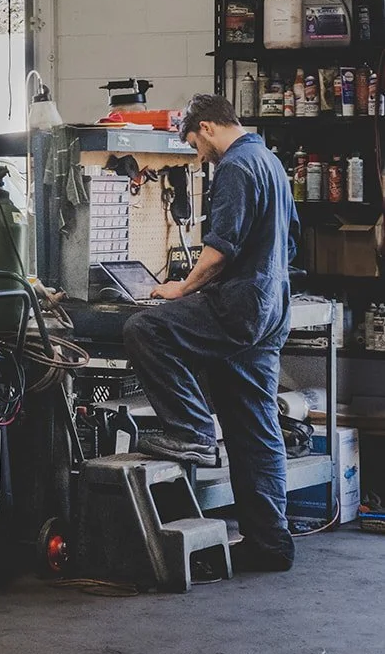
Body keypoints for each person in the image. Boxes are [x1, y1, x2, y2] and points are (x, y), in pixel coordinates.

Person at [123, 92, 300, 573]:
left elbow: (220, 249)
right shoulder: (269, 161)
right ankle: (270, 544)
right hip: (269, 307)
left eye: (196, 148)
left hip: (240, 306)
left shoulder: (237, 167)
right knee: (254, 427)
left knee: (145, 328)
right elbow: (290, 239)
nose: (199, 159)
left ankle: (191, 431)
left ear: (205, 128)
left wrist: (182, 288)